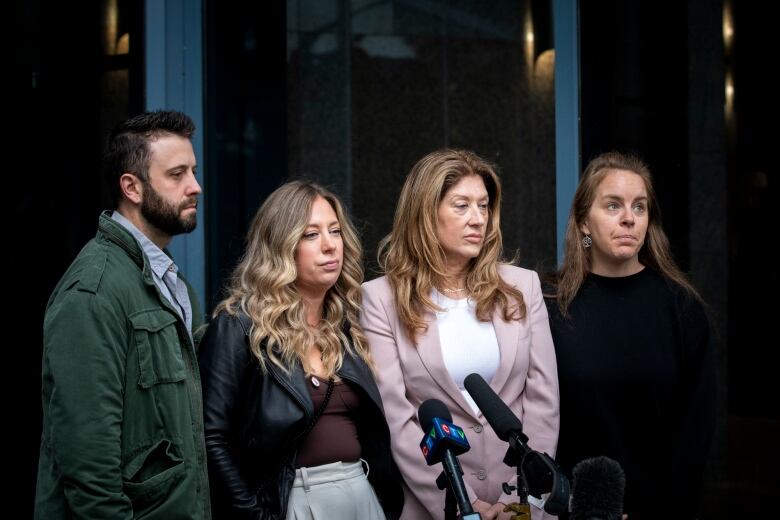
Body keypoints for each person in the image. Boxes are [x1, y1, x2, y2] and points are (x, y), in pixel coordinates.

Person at [361, 149, 560, 520]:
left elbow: (543, 403)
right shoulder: (380, 299)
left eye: (484, 206)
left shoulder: (522, 287)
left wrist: (520, 499)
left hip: (522, 506)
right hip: (437, 504)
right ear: (425, 213)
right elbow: (398, 418)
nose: (478, 219)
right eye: (462, 205)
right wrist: (467, 503)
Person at [35, 110, 210, 519]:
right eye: (177, 174)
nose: (195, 186)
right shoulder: (93, 291)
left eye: (194, 171)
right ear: (131, 187)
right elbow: (88, 467)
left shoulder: (170, 281)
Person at [198, 181, 404, 520]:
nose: (329, 246)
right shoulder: (238, 326)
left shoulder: (345, 326)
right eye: (311, 235)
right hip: (293, 501)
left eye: (335, 231)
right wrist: (254, 515)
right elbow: (211, 438)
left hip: (361, 493)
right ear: (281, 246)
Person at [544, 151, 717, 519]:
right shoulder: (550, 305)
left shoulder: (680, 307)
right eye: (612, 206)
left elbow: (696, 429)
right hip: (569, 509)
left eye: (639, 208)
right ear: (584, 222)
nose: (628, 218)